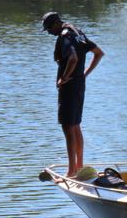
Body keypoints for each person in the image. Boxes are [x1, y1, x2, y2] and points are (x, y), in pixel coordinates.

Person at [42, 12, 104, 177]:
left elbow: (73, 58)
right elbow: (99, 53)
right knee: (75, 125)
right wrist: (84, 73)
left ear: (56, 23)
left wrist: (64, 77)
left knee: (68, 127)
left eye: (49, 29)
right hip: (79, 85)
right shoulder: (77, 33)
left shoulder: (65, 35)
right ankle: (79, 166)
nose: (49, 32)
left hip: (69, 87)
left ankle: (71, 171)